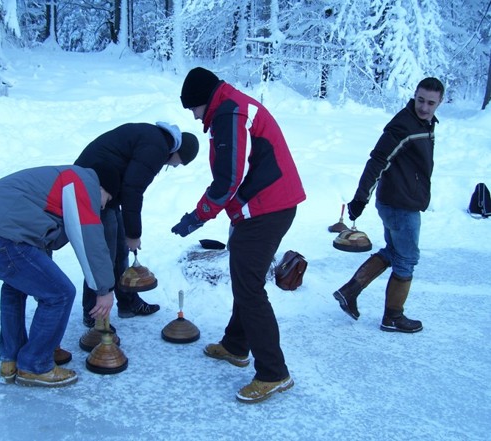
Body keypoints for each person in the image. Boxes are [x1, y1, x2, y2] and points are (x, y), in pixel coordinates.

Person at [173, 67, 306, 403]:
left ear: (203, 101)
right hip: (263, 205)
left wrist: (197, 217)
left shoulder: (230, 113)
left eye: (192, 108)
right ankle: (235, 345)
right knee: (245, 279)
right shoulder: (229, 107)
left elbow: (228, 180)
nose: (193, 115)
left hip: (268, 208)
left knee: (249, 287)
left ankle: (274, 372)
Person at [0, 164, 120, 387]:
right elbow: (89, 236)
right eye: (106, 201)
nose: (100, 207)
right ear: (103, 188)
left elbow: (39, 241)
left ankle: (10, 360)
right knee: (60, 294)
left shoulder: (49, 183)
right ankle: (34, 364)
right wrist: (104, 289)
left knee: (16, 287)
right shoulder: (82, 181)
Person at [332, 77, 445, 333]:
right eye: (420, 100)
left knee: (394, 251)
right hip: (399, 204)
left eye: (431, 103)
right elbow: (377, 160)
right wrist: (361, 197)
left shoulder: (424, 124)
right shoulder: (403, 126)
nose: (425, 107)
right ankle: (393, 317)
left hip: (402, 200)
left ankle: (350, 290)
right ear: (414, 95)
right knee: (407, 259)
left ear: (440, 102)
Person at [74, 122, 199, 325]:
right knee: (103, 254)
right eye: (180, 162)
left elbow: (128, 184)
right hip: (93, 188)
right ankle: (93, 314)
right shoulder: (157, 147)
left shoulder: (156, 141)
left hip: (108, 188)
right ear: (178, 152)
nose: (175, 166)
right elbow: (133, 189)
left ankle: (128, 301)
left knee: (120, 251)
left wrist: (129, 233)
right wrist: (133, 234)